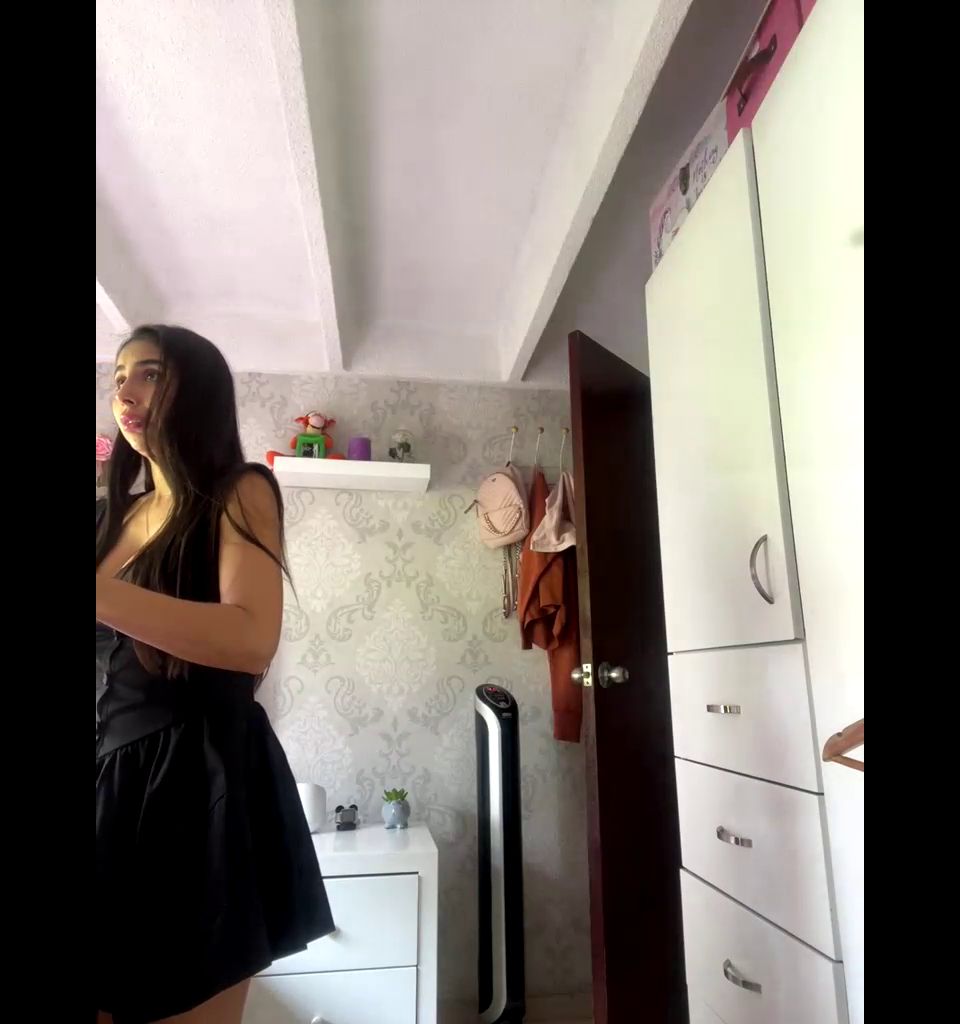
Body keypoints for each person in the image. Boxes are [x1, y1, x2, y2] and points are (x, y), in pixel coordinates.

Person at [96, 325, 335, 1023]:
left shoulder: (239, 490)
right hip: (112, 781)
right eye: (118, 378)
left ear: (196, 388)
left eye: (149, 373)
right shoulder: (110, 517)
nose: (126, 392)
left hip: (199, 778)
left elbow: (251, 638)